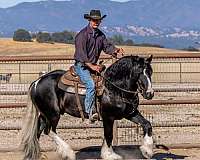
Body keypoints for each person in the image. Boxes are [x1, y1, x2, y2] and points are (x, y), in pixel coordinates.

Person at [74, 9, 124, 123]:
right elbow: (81, 55)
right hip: (81, 66)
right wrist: (92, 66)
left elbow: (107, 47)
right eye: (94, 20)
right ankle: (89, 112)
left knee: (109, 82)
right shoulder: (82, 35)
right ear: (89, 20)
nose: (96, 22)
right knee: (91, 85)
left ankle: (107, 108)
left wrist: (115, 51)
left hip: (93, 66)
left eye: (98, 20)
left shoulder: (100, 35)